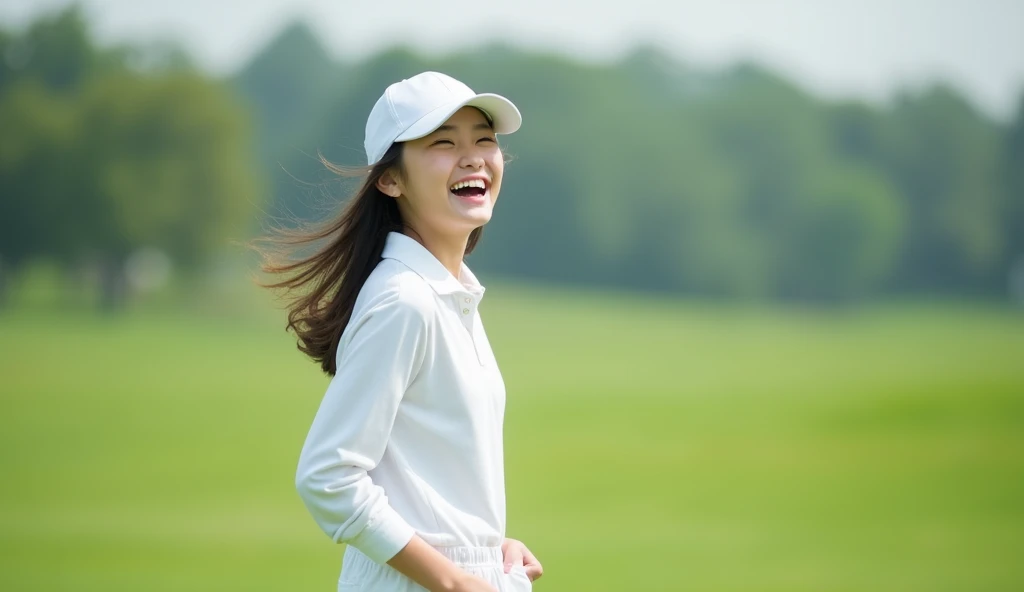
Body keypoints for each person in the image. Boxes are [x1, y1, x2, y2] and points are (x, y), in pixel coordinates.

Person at [258, 71, 543, 591]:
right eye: (443, 143)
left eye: (484, 139)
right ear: (390, 180)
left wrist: (487, 548)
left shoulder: (449, 297)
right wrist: (456, 580)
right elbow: (328, 477)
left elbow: (427, 476)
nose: (474, 156)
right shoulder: (405, 301)